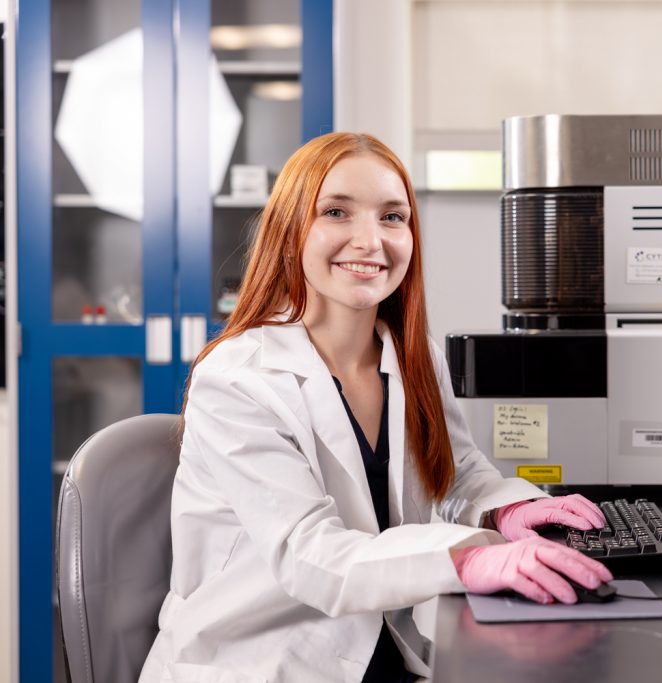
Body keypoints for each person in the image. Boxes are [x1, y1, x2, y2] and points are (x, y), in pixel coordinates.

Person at [139, 132, 613, 683]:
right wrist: (469, 556)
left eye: (393, 217)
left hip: (380, 652)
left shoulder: (409, 355)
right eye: (337, 211)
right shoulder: (238, 379)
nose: (370, 240)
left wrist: (505, 508)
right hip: (263, 663)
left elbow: (455, 476)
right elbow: (308, 554)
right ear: (291, 228)